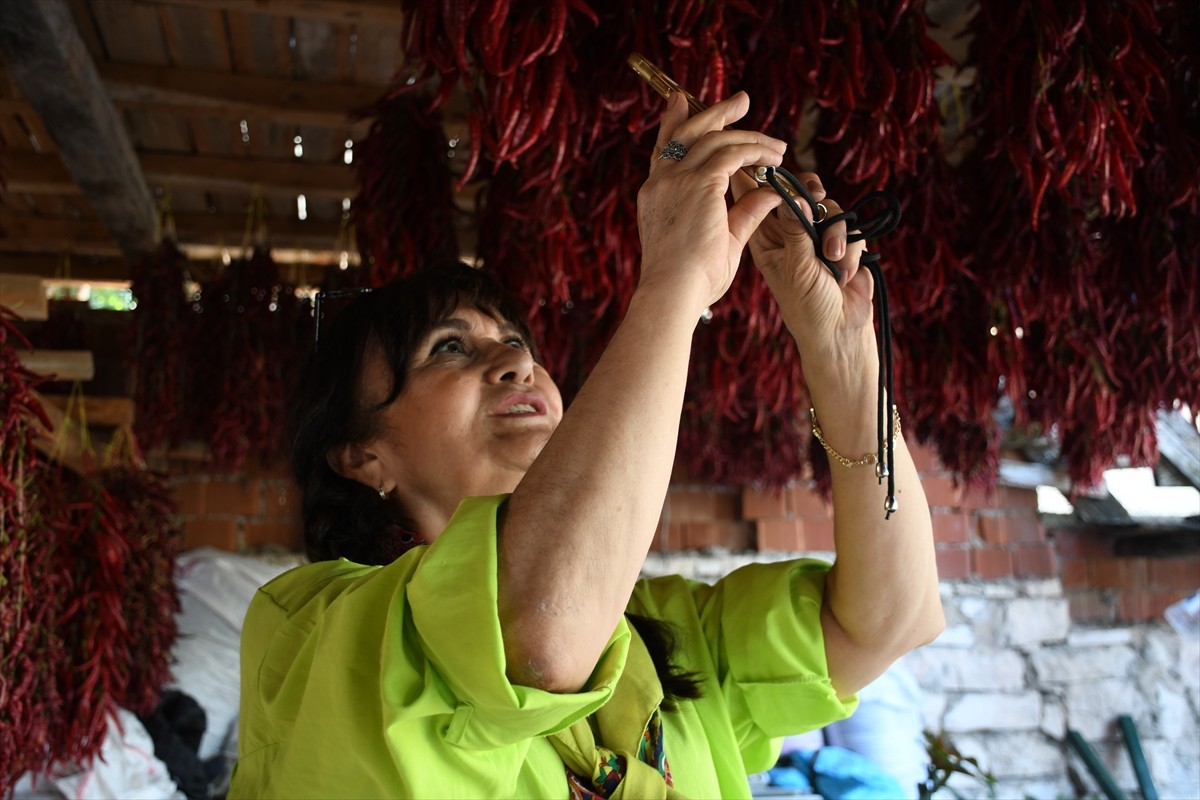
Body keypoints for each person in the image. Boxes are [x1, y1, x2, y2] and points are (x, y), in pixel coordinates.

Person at [228, 90, 944, 799]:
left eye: (515, 341)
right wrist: (674, 282)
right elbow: (537, 637)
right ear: (361, 456)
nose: (515, 362)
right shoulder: (309, 630)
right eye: (448, 348)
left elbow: (890, 620)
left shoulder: (663, 637)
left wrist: (845, 356)